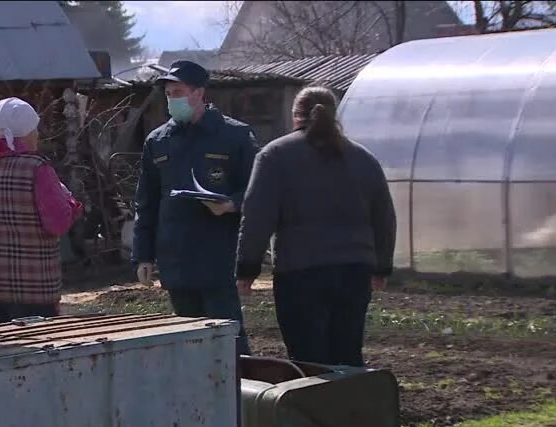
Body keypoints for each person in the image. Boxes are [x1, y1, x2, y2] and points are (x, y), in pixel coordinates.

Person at [235, 85, 397, 367]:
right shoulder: (363, 158)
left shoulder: (275, 156)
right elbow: (384, 216)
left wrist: (247, 268)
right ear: (336, 115)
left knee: (308, 359)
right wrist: (381, 266)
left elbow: (258, 216)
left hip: (301, 274)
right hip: (354, 272)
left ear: (294, 115)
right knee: (347, 353)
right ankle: (352, 408)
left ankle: (314, 410)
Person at [132, 60, 261, 355]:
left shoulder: (234, 136)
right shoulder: (159, 140)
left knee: (228, 343)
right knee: (188, 345)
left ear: (199, 93)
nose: (172, 99)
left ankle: (238, 395)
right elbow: (147, 202)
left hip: (218, 258)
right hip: (176, 259)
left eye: (178, 92)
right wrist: (143, 255)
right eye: (168, 94)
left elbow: (258, 189)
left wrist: (230, 205)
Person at [0, 97, 84, 323]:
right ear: (25, 133)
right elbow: (57, 223)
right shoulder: (37, 168)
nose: (37, 135)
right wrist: (70, 203)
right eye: (34, 129)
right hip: (31, 284)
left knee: (2, 349)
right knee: (39, 350)